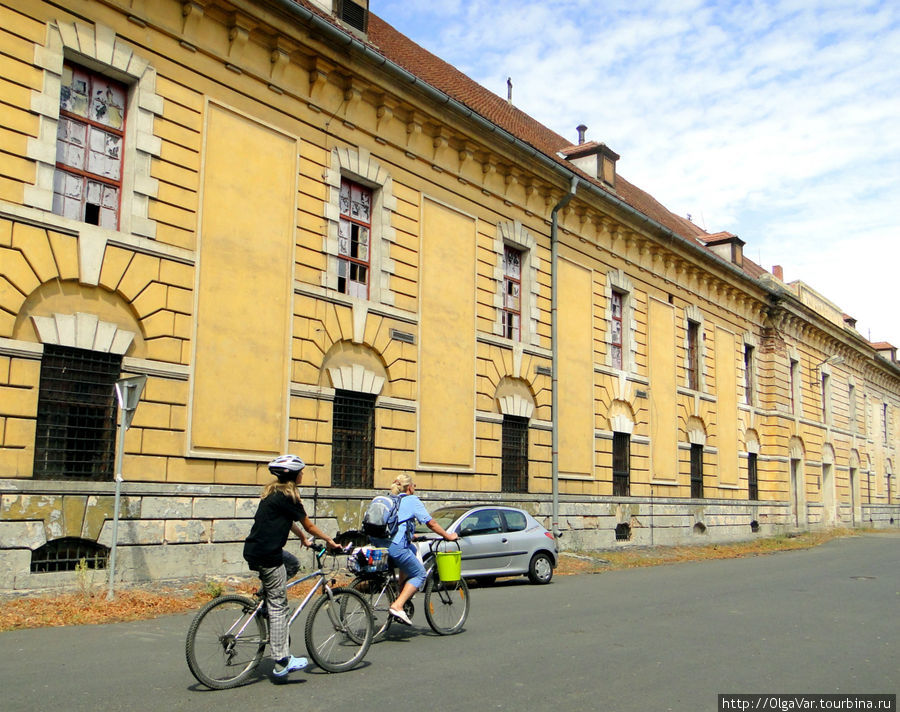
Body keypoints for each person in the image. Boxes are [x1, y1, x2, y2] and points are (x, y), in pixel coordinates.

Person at [243, 454, 341, 679]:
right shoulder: (290, 497)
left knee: (293, 564)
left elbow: (288, 521)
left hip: (254, 550)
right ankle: (282, 661)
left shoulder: (273, 493)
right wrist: (328, 540)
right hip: (269, 555)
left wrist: (303, 538)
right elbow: (308, 524)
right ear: (294, 475)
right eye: (302, 471)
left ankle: (265, 599)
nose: (303, 474)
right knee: (279, 606)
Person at [385, 473, 458, 625]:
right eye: (414, 486)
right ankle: (398, 605)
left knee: (411, 550)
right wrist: (448, 536)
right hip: (397, 546)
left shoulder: (391, 499)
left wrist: (411, 535)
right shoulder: (411, 500)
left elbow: (394, 524)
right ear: (410, 487)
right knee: (420, 574)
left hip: (384, 545)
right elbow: (431, 523)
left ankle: (401, 592)